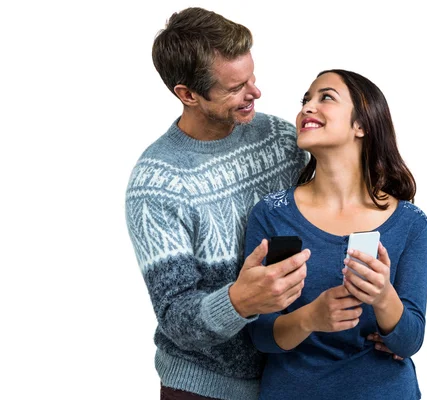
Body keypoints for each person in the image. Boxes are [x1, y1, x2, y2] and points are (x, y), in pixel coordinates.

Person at [125, 7, 311, 400]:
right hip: (204, 388)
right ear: (187, 94)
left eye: (253, 78)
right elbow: (176, 317)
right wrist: (239, 300)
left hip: (291, 377)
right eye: (235, 88)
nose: (255, 93)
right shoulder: (157, 184)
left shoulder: (282, 140)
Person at [245, 69, 427, 400]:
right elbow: (261, 335)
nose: (307, 108)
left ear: (362, 125)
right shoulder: (272, 215)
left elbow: (409, 342)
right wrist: (310, 318)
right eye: (305, 101)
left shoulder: (410, 222)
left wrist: (383, 296)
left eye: (325, 97)